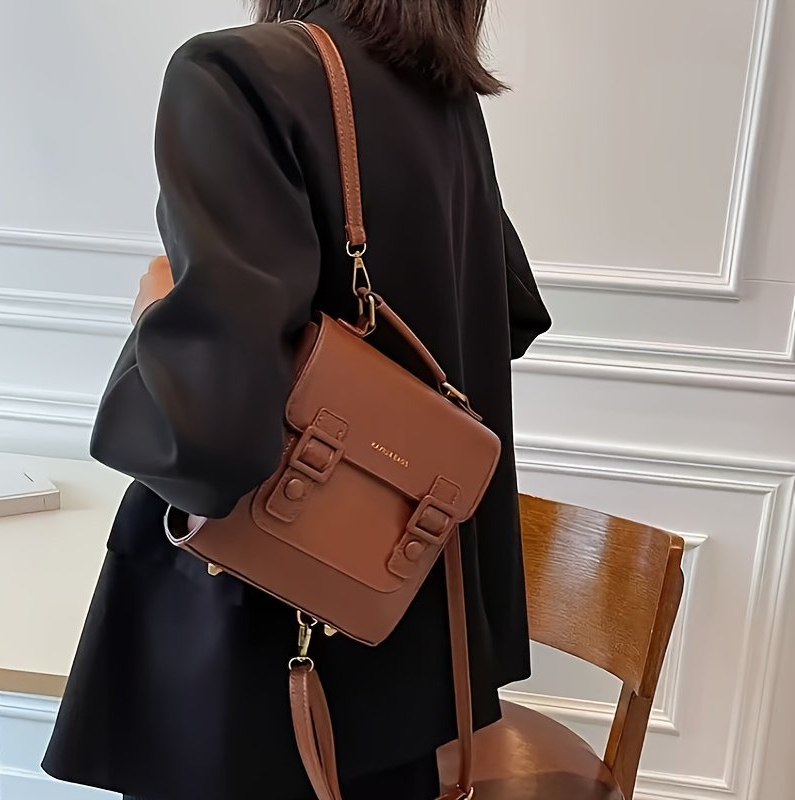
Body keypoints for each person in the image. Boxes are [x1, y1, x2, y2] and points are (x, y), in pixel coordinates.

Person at [42, 1, 551, 798]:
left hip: (259, 669)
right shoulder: (443, 95)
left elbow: (206, 440)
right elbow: (512, 313)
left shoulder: (237, 73)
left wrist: (154, 309)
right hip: (401, 630)